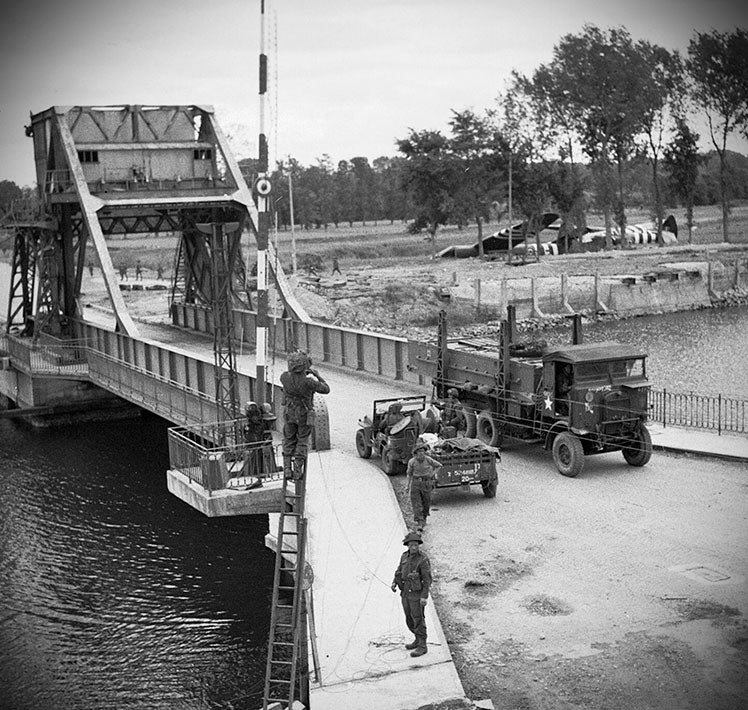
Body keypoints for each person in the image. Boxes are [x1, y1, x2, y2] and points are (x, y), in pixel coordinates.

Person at [280, 350, 330, 479]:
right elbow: (326, 389)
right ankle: (297, 468)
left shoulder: (284, 377)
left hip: (290, 413)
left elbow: (293, 380)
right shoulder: (309, 382)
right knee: (302, 440)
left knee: (289, 439)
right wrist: (317, 376)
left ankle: (287, 469)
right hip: (304, 414)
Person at [391, 531, 432, 657]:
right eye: (411, 545)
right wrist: (394, 583)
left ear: (418, 545)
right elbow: (399, 571)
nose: (414, 547)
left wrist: (424, 596)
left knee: (418, 619)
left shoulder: (423, 559)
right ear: (407, 545)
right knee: (409, 618)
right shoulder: (404, 556)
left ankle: (422, 645)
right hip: (405, 593)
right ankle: (417, 639)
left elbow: (427, 579)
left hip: (416, 594)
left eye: (416, 545)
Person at [406, 443, 442, 531]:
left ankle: (424, 517)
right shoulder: (412, 462)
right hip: (416, 483)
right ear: (415, 454)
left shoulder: (428, 459)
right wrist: (407, 486)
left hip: (426, 483)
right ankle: (419, 522)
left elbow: (439, 465)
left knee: (426, 502)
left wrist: (432, 474)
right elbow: (409, 474)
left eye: (423, 452)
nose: (421, 454)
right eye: (419, 452)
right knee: (416, 503)